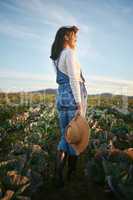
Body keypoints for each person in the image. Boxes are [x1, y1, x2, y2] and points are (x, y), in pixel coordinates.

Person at [50, 25, 88, 187]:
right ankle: (71, 173)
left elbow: (63, 80)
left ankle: (59, 170)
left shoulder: (57, 57)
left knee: (65, 135)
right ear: (66, 37)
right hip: (73, 97)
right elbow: (73, 79)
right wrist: (79, 104)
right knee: (75, 136)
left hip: (62, 97)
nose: (76, 39)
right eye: (74, 36)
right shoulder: (69, 54)